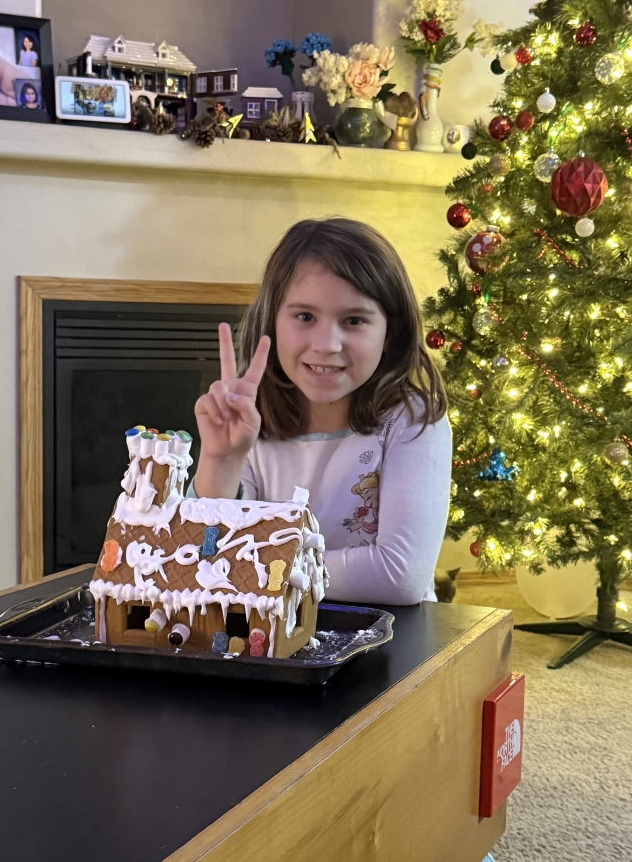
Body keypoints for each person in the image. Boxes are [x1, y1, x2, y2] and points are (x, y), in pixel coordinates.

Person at [192, 218, 452, 605]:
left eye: (353, 320)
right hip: (271, 637)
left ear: (390, 335)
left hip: (391, 642)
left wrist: (257, 570)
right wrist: (220, 460)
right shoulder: (248, 417)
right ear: (273, 322)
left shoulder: (411, 419)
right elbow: (207, 554)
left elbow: (401, 576)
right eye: (305, 317)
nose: (326, 344)